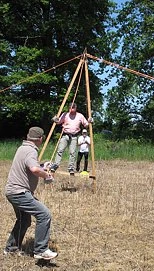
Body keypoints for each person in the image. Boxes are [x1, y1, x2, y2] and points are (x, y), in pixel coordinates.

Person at [4, 127, 58, 260]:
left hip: (12, 191)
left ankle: (11, 249)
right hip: (19, 192)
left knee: (24, 220)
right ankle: (41, 250)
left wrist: (42, 165)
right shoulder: (31, 151)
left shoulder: (22, 148)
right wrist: (46, 175)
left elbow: (31, 165)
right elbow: (34, 169)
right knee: (44, 215)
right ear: (40, 139)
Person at [51, 103, 92, 174]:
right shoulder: (65, 114)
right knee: (60, 150)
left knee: (72, 153)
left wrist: (90, 121)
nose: (71, 110)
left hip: (74, 136)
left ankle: (71, 168)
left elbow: (86, 125)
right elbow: (58, 121)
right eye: (70, 108)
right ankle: (56, 165)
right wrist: (55, 119)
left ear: (76, 108)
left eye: (73, 108)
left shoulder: (80, 116)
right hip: (65, 135)